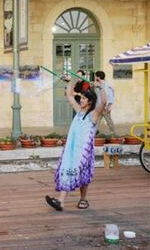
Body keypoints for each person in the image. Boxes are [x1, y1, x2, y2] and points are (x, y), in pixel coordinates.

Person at [45, 74, 107, 211]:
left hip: (84, 151)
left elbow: (103, 102)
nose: (81, 100)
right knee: (68, 170)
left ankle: (83, 199)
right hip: (72, 149)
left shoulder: (94, 115)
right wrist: (71, 80)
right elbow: (69, 95)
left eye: (84, 98)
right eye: (82, 97)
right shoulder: (78, 111)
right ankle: (60, 201)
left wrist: (101, 86)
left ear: (90, 101)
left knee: (83, 174)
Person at [94, 71, 116, 135]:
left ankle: (113, 133)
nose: (95, 77)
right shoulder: (98, 84)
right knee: (96, 121)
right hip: (99, 107)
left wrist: (109, 106)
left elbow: (111, 96)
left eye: (96, 76)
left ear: (98, 77)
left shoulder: (107, 85)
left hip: (105, 108)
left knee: (109, 121)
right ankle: (92, 133)